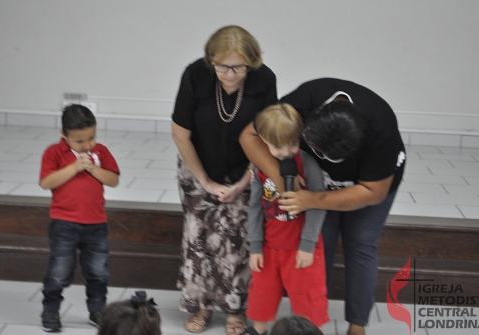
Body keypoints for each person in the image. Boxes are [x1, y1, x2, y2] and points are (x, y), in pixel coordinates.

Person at [240, 78, 406, 335]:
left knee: (361, 242)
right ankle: (310, 322)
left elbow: (374, 193)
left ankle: (357, 325)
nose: (319, 157)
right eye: (314, 149)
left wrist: (312, 199)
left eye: (331, 157)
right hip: (312, 187)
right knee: (320, 242)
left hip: (367, 187)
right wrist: (282, 180)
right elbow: (251, 135)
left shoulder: (380, 128)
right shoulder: (306, 99)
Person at [171, 25, 277, 335]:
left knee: (238, 236)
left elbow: (268, 136)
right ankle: (202, 305)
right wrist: (205, 181)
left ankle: (235, 309)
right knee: (199, 235)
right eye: (222, 66)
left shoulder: (264, 78)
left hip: (247, 167)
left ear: (251, 62)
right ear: (211, 60)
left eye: (238, 67)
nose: (230, 74)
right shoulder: (195, 75)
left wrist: (245, 181)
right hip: (197, 166)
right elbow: (180, 134)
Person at [245, 104, 329, 335]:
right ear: (263, 140)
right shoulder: (260, 165)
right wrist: (255, 246)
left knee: (308, 301)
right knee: (261, 296)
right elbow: (254, 207)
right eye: (278, 147)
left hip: (300, 250)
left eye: (293, 144)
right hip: (268, 250)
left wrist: (307, 246)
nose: (287, 152)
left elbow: (318, 206)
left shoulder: (307, 163)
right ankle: (257, 331)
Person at [39, 104, 120, 332]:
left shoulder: (101, 152)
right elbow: (46, 182)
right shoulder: (54, 153)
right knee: (59, 271)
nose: (87, 145)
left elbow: (113, 180)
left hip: (96, 224)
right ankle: (50, 310)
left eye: (91, 138)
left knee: (97, 271)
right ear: (64, 135)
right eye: (80, 141)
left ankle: (97, 310)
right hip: (64, 224)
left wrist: (94, 169)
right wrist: (74, 167)